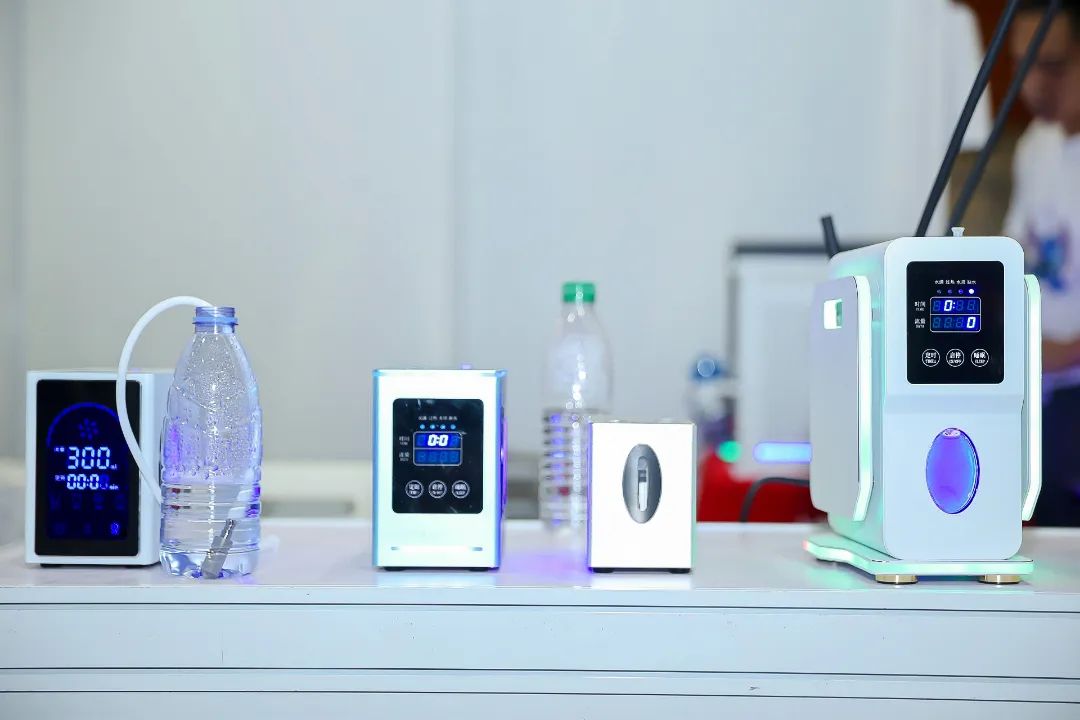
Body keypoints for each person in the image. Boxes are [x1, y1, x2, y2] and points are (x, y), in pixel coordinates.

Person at [1005, 0, 1080, 525]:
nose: (1033, 84)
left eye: (1051, 65)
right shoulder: (1035, 146)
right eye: (1021, 65)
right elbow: (1016, 262)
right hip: (1036, 392)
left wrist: (1066, 351)